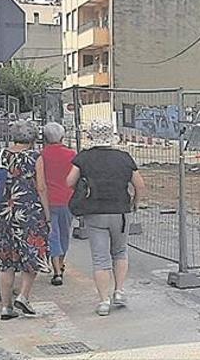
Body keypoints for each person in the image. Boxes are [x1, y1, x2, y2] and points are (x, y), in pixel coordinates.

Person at [66, 121, 146, 317]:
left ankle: (103, 301)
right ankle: (119, 292)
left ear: (92, 135)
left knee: (100, 258)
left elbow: (69, 181)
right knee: (119, 252)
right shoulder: (124, 158)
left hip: (94, 212)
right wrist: (135, 202)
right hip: (120, 211)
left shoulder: (84, 158)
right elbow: (140, 185)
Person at [0, 120, 51, 320]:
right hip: (28, 212)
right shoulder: (35, 157)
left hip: (2, 213)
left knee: (6, 259)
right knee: (32, 253)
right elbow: (41, 187)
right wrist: (47, 213)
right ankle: (23, 296)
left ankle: (5, 307)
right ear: (33, 138)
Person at [37, 122, 76, 286]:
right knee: (64, 234)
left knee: (52, 234)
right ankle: (61, 263)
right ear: (62, 136)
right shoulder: (72, 154)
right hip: (68, 199)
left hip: (48, 200)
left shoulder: (41, 155)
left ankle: (57, 271)